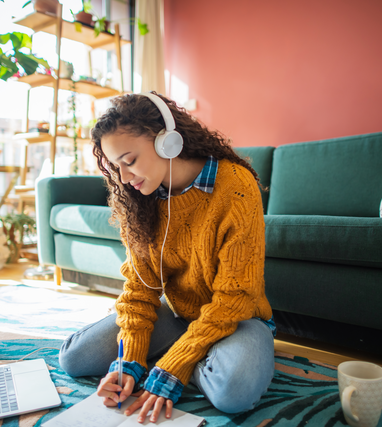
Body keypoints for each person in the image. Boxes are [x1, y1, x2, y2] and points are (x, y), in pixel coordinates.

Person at [58, 91, 275, 423]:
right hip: (177, 317)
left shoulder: (235, 187)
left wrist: (176, 363)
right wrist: (128, 359)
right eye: (116, 168)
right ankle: (188, 354)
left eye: (129, 161)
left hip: (238, 320)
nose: (125, 179)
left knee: (234, 391)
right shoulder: (139, 201)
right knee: (73, 358)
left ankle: (186, 355)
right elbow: (141, 289)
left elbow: (235, 298)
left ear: (167, 141)